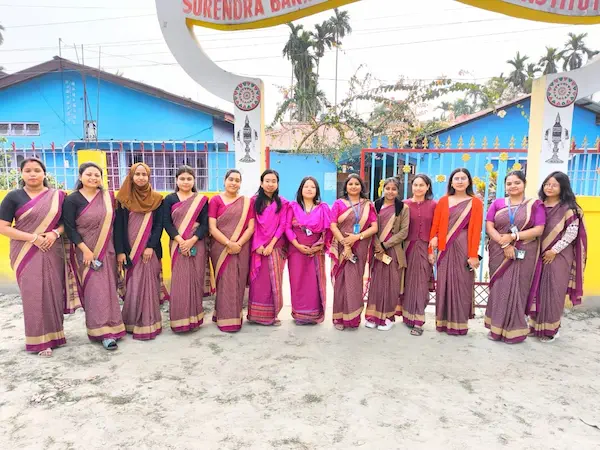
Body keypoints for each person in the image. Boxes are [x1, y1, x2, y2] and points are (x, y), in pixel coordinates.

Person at [0, 158, 66, 357]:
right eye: (28, 170)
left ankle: (55, 336)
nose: (33, 174)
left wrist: (55, 234)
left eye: (37, 170)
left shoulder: (58, 196)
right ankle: (39, 341)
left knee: (53, 292)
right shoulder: (13, 197)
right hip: (25, 251)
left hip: (51, 249)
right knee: (33, 295)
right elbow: (3, 227)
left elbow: (66, 224)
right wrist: (33, 238)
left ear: (44, 173)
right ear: (21, 173)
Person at [63, 162, 125, 350]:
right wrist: (85, 250)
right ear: (80, 177)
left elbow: (117, 227)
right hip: (86, 253)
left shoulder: (109, 197)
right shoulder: (72, 200)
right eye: (89, 174)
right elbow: (70, 228)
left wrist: (120, 251)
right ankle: (102, 332)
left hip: (108, 250)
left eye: (97, 175)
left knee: (109, 289)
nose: (93, 178)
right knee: (95, 291)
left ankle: (114, 326)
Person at [484, 171, 545, 344]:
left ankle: (514, 331)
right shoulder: (497, 203)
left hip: (524, 251)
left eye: (517, 182)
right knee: (499, 288)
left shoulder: (535, 205)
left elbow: (539, 229)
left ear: (524, 184)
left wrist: (513, 237)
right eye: (509, 183)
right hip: (499, 250)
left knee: (518, 289)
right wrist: (504, 245)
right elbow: (489, 226)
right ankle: (496, 329)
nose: (513, 186)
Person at [528, 171, 587, 342]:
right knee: (537, 290)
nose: (549, 187)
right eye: (547, 184)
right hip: (538, 253)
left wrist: (554, 250)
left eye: (554, 185)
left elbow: (571, 233)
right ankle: (535, 326)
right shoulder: (538, 205)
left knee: (554, 291)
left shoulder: (569, 209)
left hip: (559, 256)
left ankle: (551, 330)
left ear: (563, 187)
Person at [114, 163, 165, 340]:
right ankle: (131, 322)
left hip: (150, 251)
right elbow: (118, 227)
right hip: (130, 251)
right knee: (133, 285)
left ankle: (150, 322)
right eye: (137, 174)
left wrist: (150, 246)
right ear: (131, 176)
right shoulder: (123, 199)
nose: (141, 177)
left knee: (149, 285)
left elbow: (159, 225)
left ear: (149, 177)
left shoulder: (157, 199)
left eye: (144, 174)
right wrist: (120, 251)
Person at [429, 168, 483, 336]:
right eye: (456, 178)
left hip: (464, 246)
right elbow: (436, 225)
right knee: (444, 282)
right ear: (451, 182)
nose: (460, 181)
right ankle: (443, 322)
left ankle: (459, 324)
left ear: (469, 181)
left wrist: (473, 255)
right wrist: (432, 245)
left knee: (462, 283)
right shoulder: (443, 201)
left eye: (463, 178)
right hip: (444, 247)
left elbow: (476, 230)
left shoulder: (475, 202)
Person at [163, 165, 209, 333]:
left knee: (196, 280)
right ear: (176, 180)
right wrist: (181, 241)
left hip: (197, 244)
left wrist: (193, 240)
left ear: (194, 181)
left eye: (189, 178)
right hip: (177, 244)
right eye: (182, 178)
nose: (185, 182)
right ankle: (179, 321)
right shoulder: (169, 199)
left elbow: (205, 224)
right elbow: (166, 223)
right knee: (180, 281)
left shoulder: (201, 200)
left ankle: (195, 320)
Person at [329, 174, 378, 331]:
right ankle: (339, 318)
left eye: (357, 184)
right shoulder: (338, 203)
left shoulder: (367, 205)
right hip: (341, 247)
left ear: (361, 187)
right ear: (346, 187)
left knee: (354, 282)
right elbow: (332, 225)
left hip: (360, 247)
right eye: (350, 184)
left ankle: (353, 319)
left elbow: (374, 227)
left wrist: (357, 237)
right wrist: (345, 243)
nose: (354, 186)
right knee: (340, 283)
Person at [208, 169, 255, 333]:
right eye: (231, 179)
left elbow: (251, 227)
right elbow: (212, 227)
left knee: (237, 282)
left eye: (237, 180)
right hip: (220, 248)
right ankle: (223, 317)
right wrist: (228, 243)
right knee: (224, 282)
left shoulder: (246, 202)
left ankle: (235, 317)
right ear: (224, 180)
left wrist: (238, 244)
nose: (234, 183)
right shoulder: (215, 200)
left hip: (241, 248)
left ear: (240, 183)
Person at [365, 177, 410, 331]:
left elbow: (404, 232)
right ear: (383, 189)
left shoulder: (403, 208)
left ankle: (388, 317)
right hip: (377, 251)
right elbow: (370, 227)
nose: (390, 192)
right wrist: (377, 245)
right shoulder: (375, 205)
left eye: (394, 189)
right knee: (376, 284)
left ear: (398, 191)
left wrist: (385, 244)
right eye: (387, 188)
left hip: (394, 251)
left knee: (391, 284)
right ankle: (372, 316)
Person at [285, 177, 330, 325]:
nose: (309, 189)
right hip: (296, 250)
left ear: (317, 190)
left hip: (316, 250)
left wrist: (320, 245)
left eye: (313, 187)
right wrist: (297, 245)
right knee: (297, 281)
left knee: (313, 282)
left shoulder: (323, 208)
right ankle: (299, 314)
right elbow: (287, 228)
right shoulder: (292, 207)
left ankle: (313, 314)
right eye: (306, 186)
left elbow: (328, 230)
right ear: (301, 189)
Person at [247, 169, 289, 326]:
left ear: (278, 184)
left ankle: (272, 315)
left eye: (274, 181)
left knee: (274, 281)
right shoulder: (253, 202)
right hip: (257, 247)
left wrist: (271, 245)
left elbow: (283, 225)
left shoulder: (283, 203)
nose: (270, 184)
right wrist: (257, 245)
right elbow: (252, 225)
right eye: (267, 181)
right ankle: (255, 315)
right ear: (261, 183)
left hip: (275, 247)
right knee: (258, 281)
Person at [401, 174, 437, 336]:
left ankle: (418, 320)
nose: (418, 188)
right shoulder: (404, 204)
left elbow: (437, 229)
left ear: (428, 187)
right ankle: (408, 316)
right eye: (415, 185)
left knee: (421, 284)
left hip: (425, 248)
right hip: (406, 248)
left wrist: (432, 251)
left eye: (422, 185)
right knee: (408, 283)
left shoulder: (434, 205)